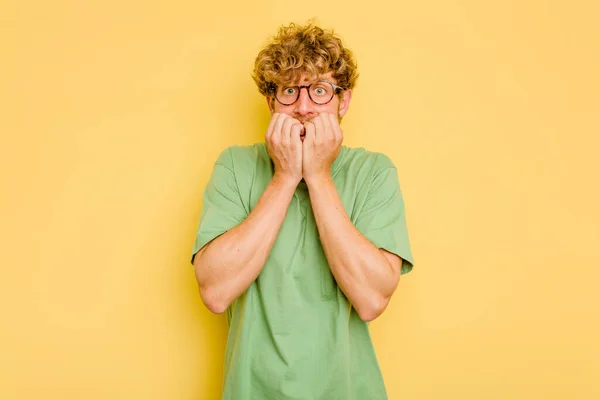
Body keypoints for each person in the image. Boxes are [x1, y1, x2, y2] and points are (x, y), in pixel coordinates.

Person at [190, 21, 414, 400]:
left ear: (343, 101)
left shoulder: (374, 173)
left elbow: (372, 299)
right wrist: (285, 176)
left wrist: (319, 175)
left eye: (320, 90)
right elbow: (215, 291)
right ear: (271, 102)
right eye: (290, 91)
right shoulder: (235, 166)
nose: (304, 107)